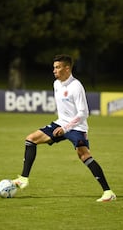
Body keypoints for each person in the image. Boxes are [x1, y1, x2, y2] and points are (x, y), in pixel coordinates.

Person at [12, 54, 116, 202]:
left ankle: (108, 192)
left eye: (58, 67)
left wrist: (66, 128)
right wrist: (62, 125)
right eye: (54, 67)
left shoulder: (76, 86)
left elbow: (84, 113)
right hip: (61, 123)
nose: (54, 71)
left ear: (67, 69)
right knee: (31, 139)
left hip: (76, 127)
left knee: (84, 156)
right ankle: (23, 178)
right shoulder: (56, 84)